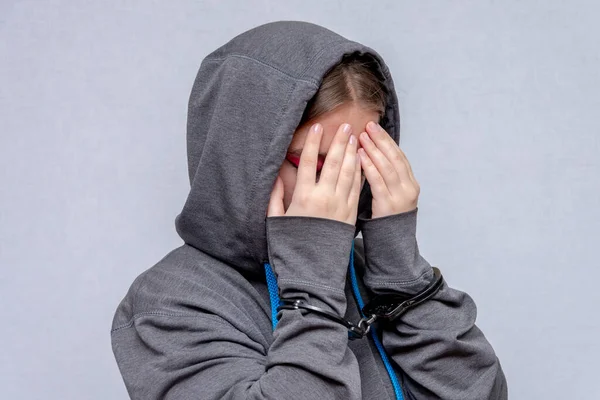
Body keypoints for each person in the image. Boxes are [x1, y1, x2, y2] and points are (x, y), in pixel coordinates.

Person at [110, 21, 508, 400]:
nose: (344, 183)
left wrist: (402, 270)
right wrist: (313, 286)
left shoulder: (375, 270)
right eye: (316, 161)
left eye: (360, 159)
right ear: (244, 159)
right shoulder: (167, 303)